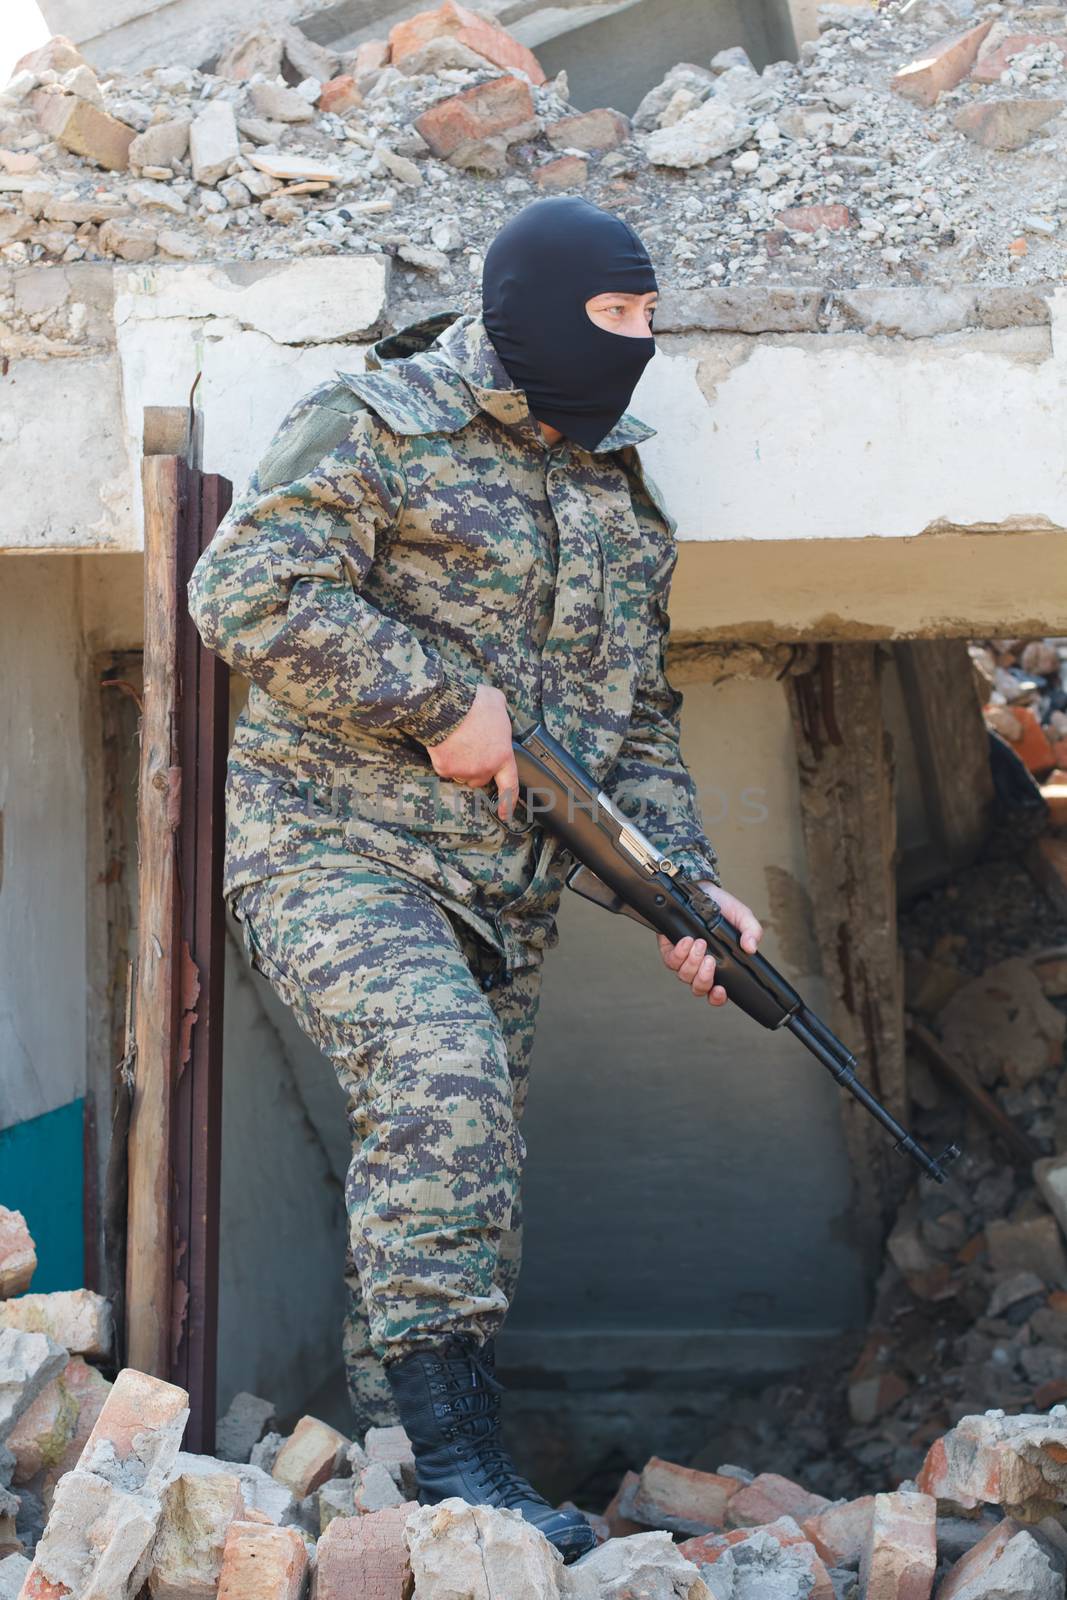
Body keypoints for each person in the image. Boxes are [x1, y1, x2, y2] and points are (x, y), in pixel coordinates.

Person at [186, 194, 764, 1563]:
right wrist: (441, 702)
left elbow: (631, 728)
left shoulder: (622, 491)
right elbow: (246, 593)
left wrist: (691, 889)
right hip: (333, 847)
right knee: (439, 1078)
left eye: (647, 319)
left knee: (466, 1169)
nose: (637, 344)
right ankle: (462, 1468)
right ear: (535, 310)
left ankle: (410, 1491)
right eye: (614, 316)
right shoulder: (380, 424)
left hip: (496, 898)